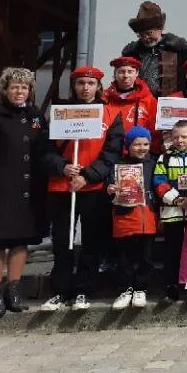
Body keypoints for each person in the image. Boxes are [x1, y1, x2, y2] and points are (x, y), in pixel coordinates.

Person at [39, 65, 124, 312]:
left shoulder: (110, 114)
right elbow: (44, 150)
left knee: (91, 241)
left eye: (90, 83)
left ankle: (84, 290)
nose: (85, 88)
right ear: (74, 86)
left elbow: (112, 153)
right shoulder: (60, 112)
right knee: (62, 240)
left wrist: (87, 175)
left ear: (98, 87)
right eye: (80, 83)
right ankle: (60, 290)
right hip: (61, 186)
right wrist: (63, 167)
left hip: (92, 187)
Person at [0, 68, 48, 317]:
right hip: (1, 186)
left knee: (20, 240)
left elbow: (42, 147)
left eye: (24, 87)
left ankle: (14, 291)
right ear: (5, 90)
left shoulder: (35, 116)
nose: (19, 92)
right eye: (14, 87)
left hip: (28, 189)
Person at [154, 118, 187, 303]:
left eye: (184, 137)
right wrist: (176, 199)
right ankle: (172, 287)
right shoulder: (165, 157)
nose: (180, 141)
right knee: (173, 250)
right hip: (172, 212)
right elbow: (159, 182)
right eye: (176, 137)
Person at [109, 126, 157, 310]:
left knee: (146, 256)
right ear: (128, 146)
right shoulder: (118, 165)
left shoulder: (154, 163)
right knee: (124, 257)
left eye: (146, 144)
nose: (142, 148)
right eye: (137, 144)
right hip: (124, 218)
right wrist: (110, 189)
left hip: (148, 218)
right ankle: (125, 289)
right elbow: (108, 185)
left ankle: (141, 289)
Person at [122, 1, 187, 96]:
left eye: (149, 33)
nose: (145, 38)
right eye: (141, 34)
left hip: (170, 104)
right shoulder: (133, 52)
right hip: (141, 103)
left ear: (160, 28)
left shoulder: (177, 49)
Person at [104, 56, 159, 135]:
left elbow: (155, 131)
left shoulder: (148, 100)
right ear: (115, 74)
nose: (126, 75)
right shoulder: (105, 98)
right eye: (121, 72)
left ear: (137, 73)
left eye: (130, 72)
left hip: (138, 146)